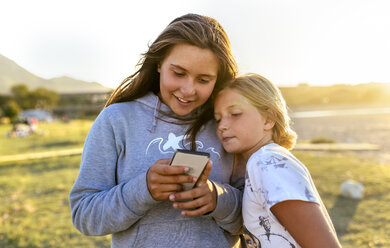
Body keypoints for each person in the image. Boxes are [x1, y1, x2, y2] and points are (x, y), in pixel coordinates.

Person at [69, 13, 244, 248]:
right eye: (179, 73)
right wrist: (143, 190)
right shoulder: (117, 120)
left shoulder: (227, 123)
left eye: (203, 80)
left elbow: (258, 216)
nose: (188, 89)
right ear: (159, 63)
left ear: (218, 79)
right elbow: (84, 215)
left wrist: (217, 198)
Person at [214, 73, 341, 248]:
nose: (222, 125)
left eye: (235, 114)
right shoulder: (261, 162)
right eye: (218, 118)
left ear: (268, 119)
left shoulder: (268, 163)